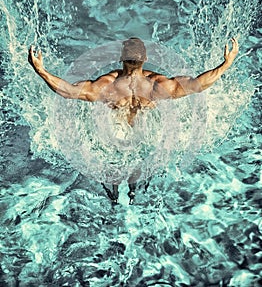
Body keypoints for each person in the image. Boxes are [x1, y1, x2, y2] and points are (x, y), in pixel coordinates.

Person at [28, 37, 239, 204]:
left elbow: (69, 92)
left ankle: (114, 200)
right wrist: (225, 64)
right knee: (140, 172)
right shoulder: (158, 85)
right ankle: (133, 196)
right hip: (145, 139)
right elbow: (197, 85)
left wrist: (41, 71)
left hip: (114, 137)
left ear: (121, 58)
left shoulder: (107, 85)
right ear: (145, 60)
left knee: (112, 173)